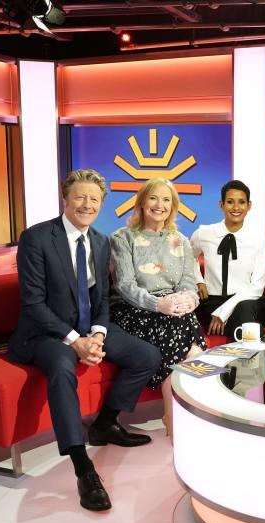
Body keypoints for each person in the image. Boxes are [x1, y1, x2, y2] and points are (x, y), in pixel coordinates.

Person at [9, 169, 161, 513]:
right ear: (65, 198)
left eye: (94, 199)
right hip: (44, 333)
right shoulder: (36, 238)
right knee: (62, 367)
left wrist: (97, 333)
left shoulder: (99, 241)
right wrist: (75, 340)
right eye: (80, 197)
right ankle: (83, 467)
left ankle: (105, 423)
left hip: (85, 329)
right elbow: (33, 304)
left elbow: (102, 299)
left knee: (146, 355)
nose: (86, 204)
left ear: (102, 204)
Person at [110, 177, 206, 439]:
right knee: (186, 339)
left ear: (173, 207)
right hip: (135, 308)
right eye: (153, 198)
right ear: (141, 203)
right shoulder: (122, 238)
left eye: (166, 200)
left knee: (185, 329)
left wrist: (189, 301)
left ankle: (175, 414)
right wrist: (158, 304)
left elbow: (189, 283)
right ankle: (176, 417)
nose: (159, 205)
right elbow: (124, 286)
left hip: (172, 309)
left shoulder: (181, 240)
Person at [190, 179, 265, 341]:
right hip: (213, 303)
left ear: (249, 205)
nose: (236, 208)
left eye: (241, 202)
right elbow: (187, 257)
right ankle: (255, 363)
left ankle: (239, 363)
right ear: (221, 204)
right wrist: (198, 280)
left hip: (250, 301)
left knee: (244, 309)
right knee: (246, 326)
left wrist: (222, 314)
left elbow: (256, 287)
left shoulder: (258, 239)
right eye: (230, 202)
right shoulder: (204, 234)